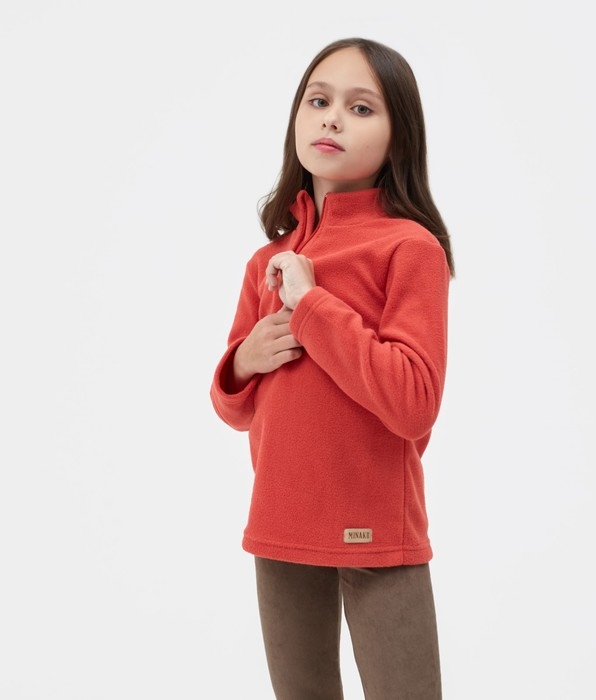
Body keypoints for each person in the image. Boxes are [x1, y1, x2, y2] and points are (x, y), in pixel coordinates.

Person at [210, 36, 455, 699]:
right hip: (279, 526)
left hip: (376, 533)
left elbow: (414, 402)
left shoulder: (410, 248)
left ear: (399, 140)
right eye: (318, 101)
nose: (333, 119)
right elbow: (235, 407)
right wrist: (243, 361)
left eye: (361, 107)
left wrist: (313, 305)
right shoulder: (266, 262)